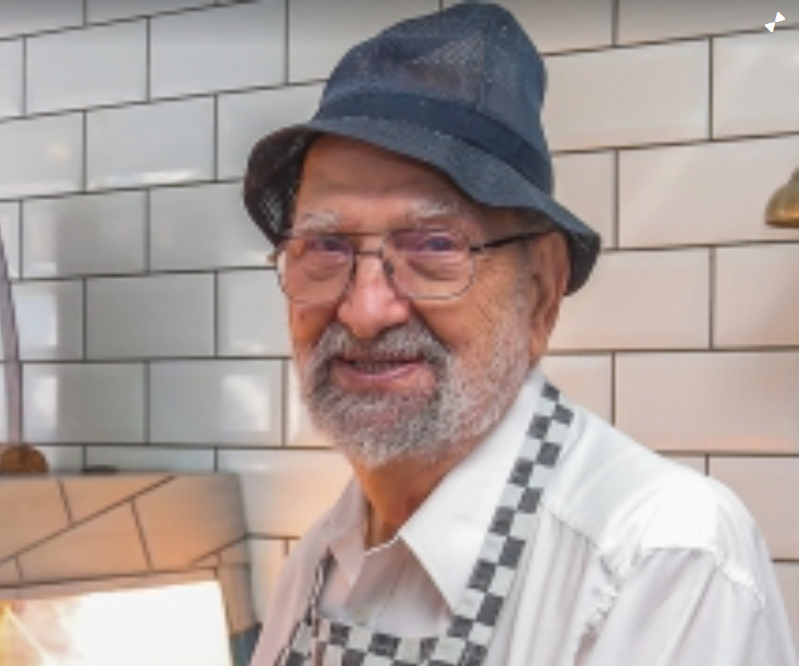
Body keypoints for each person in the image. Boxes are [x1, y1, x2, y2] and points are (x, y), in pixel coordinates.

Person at [241, 4, 797, 665]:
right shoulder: (320, 558)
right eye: (326, 246)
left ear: (541, 291)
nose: (365, 311)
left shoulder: (660, 557)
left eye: (434, 245)